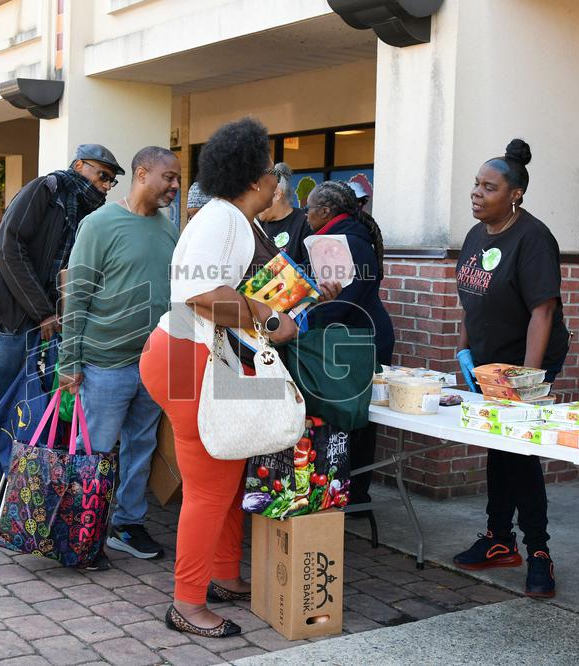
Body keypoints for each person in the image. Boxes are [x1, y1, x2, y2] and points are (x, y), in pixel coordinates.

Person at [139, 117, 338, 638]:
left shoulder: (235, 220)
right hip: (188, 357)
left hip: (195, 355)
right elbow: (202, 295)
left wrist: (291, 306)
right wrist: (270, 320)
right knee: (209, 487)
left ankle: (224, 575)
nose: (278, 180)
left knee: (228, 475)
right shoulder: (224, 220)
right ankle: (187, 603)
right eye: (272, 171)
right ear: (253, 179)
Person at [0, 143, 123, 505]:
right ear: (79, 165)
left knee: (45, 411)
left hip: (54, 322)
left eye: (111, 181)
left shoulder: (89, 214)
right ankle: (4, 500)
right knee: (11, 409)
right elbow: (10, 247)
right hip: (17, 316)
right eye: (102, 175)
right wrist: (41, 311)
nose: (105, 186)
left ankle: (36, 495)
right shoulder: (47, 189)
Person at [452, 138, 569, 599]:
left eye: (489, 187)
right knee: (496, 446)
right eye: (476, 184)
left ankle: (538, 550)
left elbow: (543, 311)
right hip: (487, 361)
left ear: (515, 194)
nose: (476, 193)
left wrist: (528, 381)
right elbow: (472, 299)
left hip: (526, 361)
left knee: (518, 450)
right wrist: (464, 353)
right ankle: (499, 538)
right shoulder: (475, 235)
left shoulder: (533, 238)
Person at [59, 146, 181, 563]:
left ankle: (127, 525)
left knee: (141, 446)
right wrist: (69, 361)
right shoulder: (99, 224)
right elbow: (77, 295)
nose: (175, 185)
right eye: (169, 177)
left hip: (152, 362)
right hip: (104, 362)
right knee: (94, 449)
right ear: (142, 174)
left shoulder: (169, 230)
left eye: (177, 178)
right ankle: (78, 532)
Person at [304, 180, 394, 515]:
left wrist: (303, 319)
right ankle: (351, 495)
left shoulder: (341, 243)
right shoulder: (344, 237)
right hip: (355, 337)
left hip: (357, 341)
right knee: (356, 418)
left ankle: (355, 497)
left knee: (356, 418)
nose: (305, 214)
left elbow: (339, 302)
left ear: (326, 211)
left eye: (309, 208)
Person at [256, 162, 310, 264]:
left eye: (258, 197)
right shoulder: (257, 226)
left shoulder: (304, 222)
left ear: (277, 194)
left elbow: (310, 266)